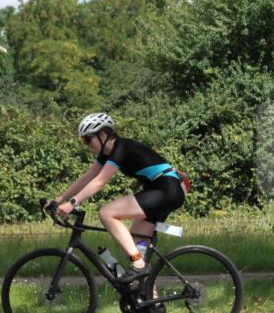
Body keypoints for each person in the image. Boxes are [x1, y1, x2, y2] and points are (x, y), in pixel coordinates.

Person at [47, 113, 187, 283]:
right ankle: (150, 300)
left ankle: (139, 265)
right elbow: (87, 178)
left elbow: (99, 182)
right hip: (161, 191)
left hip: (167, 189)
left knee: (107, 213)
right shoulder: (107, 153)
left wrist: (73, 203)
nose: (86, 145)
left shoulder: (122, 147)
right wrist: (59, 199)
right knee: (137, 245)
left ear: (102, 135)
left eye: (87, 139)